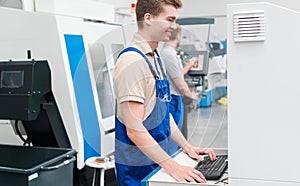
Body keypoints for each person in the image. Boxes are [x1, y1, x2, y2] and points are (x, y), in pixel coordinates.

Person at [113, 0, 216, 185]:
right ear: (149, 18)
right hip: (138, 171)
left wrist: (186, 146)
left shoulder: (155, 58)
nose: (174, 26)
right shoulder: (132, 62)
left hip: (157, 163)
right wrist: (172, 166)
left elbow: (162, 113)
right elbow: (134, 130)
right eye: (170, 19)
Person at [160, 24, 199, 154]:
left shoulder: (169, 53)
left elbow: (177, 73)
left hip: (174, 98)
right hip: (173, 100)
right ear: (177, 36)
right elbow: (181, 85)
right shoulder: (168, 54)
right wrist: (192, 95)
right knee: (175, 136)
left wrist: (188, 66)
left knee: (179, 134)